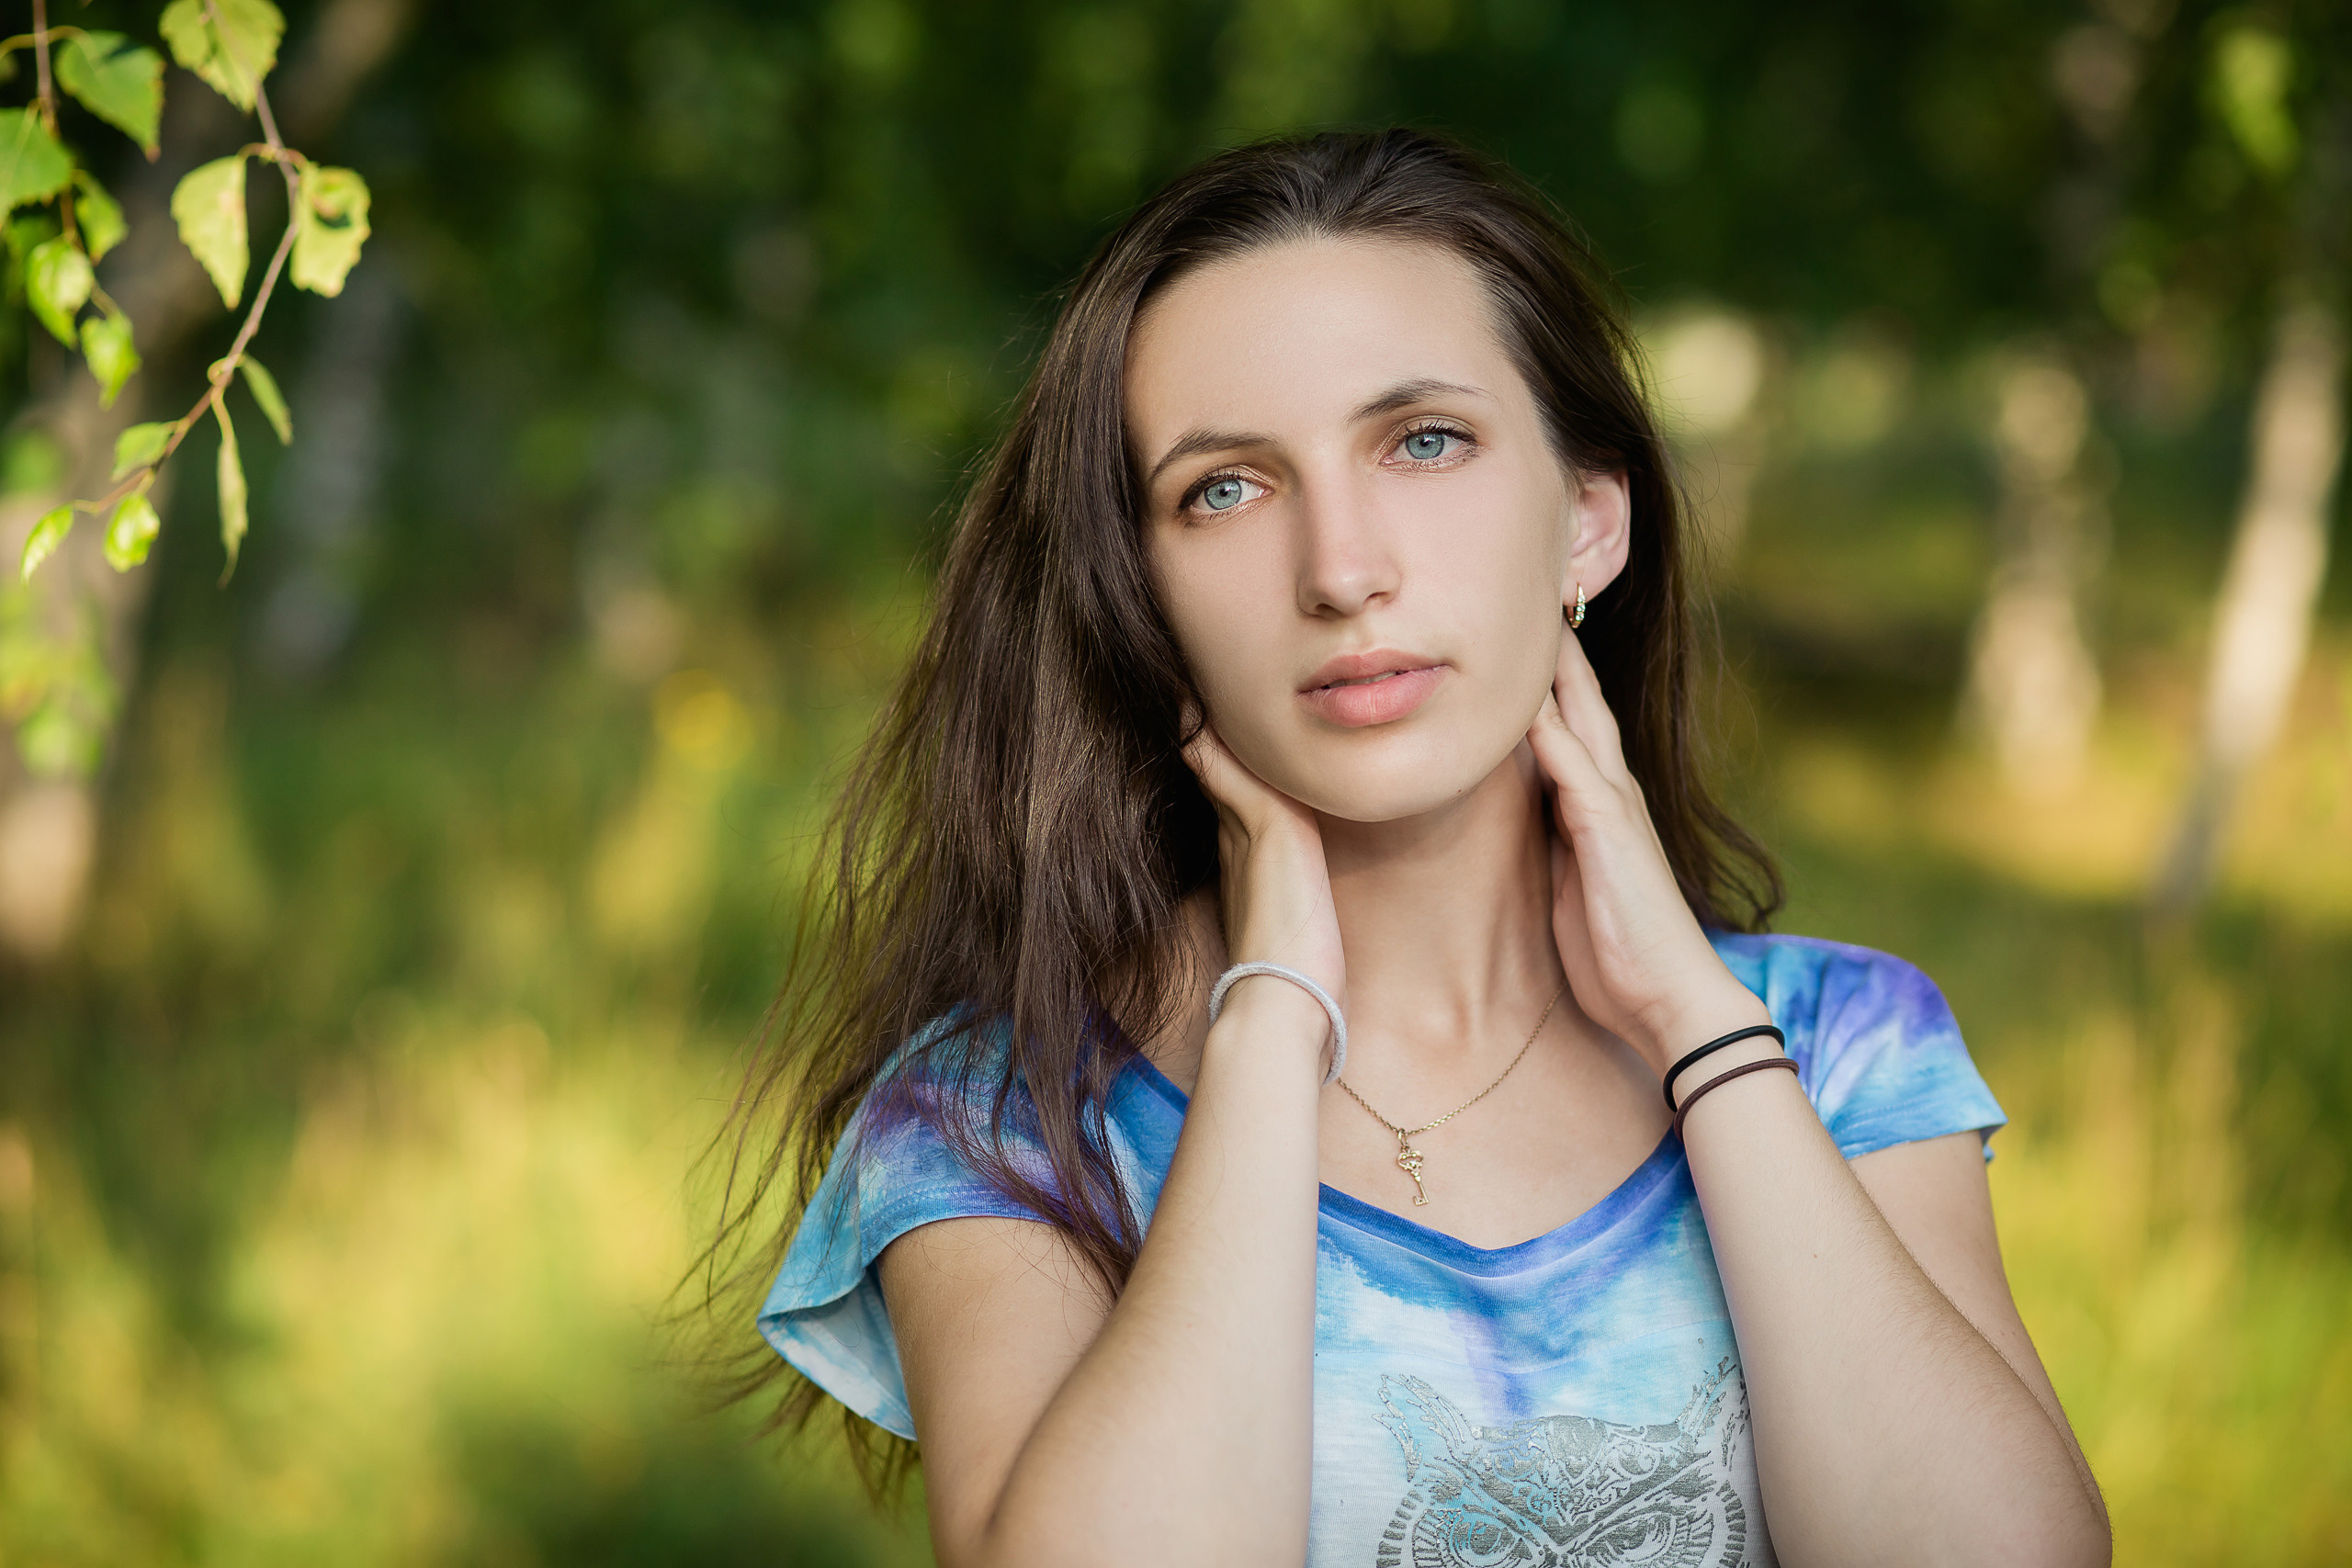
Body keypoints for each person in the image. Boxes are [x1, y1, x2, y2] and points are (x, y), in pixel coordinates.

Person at [728, 130, 2111, 1566]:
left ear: (1588, 522)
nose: (1341, 570)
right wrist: (1271, 1021)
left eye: (1424, 443)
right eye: (1225, 488)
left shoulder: (1845, 1049)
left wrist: (1699, 1022)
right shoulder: (1003, 1119)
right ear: (1139, 596)